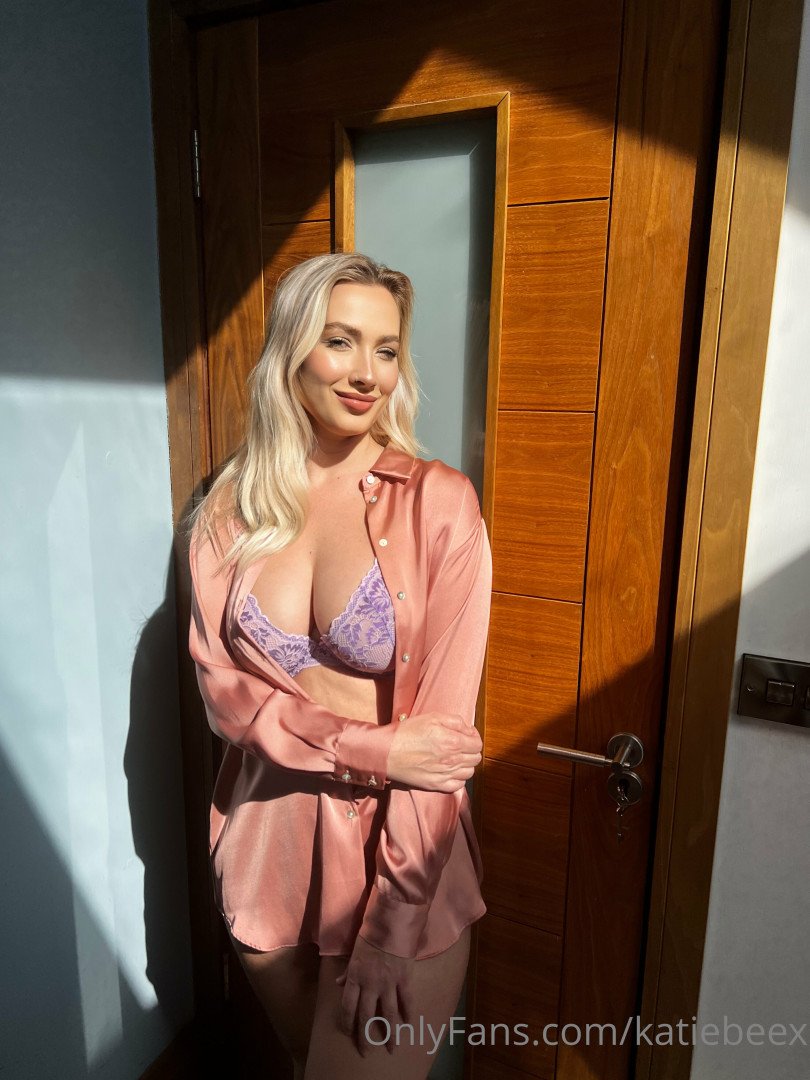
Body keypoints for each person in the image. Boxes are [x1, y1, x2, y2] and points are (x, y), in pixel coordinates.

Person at [185, 252, 493, 1079]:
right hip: (268, 854)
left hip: (400, 870)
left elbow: (440, 744)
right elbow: (224, 695)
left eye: (386, 350)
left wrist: (392, 934)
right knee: (304, 1064)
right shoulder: (228, 509)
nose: (367, 374)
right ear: (292, 351)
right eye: (340, 341)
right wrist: (372, 746)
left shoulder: (440, 504)